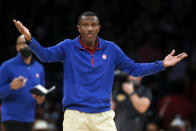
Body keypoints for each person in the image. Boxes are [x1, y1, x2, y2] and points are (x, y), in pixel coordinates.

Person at [13, 11, 187, 131]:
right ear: (78, 28)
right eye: (85, 25)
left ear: (99, 28)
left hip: (102, 115)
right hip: (75, 115)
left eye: (93, 25)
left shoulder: (111, 49)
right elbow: (45, 55)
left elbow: (134, 69)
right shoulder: (67, 46)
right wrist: (29, 39)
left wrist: (162, 64)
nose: (89, 28)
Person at [0, 35, 45, 131]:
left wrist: (40, 99)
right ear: (17, 47)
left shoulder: (39, 68)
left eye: (28, 43)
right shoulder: (6, 66)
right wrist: (11, 87)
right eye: (22, 43)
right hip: (11, 118)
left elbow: (41, 94)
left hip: (29, 118)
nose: (26, 45)